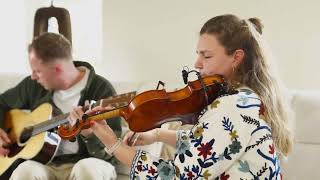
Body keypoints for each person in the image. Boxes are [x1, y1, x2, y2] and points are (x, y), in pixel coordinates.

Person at [72, 14, 293, 179]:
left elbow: (177, 175)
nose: (197, 64)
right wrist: (158, 135)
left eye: (206, 55)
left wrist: (112, 143)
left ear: (236, 57)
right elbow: (212, 143)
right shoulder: (247, 98)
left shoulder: (231, 106)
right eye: (198, 54)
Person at [0, 32, 122, 180]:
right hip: (46, 165)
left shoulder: (101, 89)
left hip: (89, 162)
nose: (33, 76)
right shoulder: (32, 86)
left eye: (37, 71)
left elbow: (112, 153)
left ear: (56, 69)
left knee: (87, 169)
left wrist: (90, 136)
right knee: (24, 171)